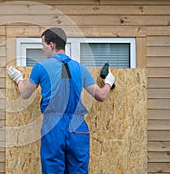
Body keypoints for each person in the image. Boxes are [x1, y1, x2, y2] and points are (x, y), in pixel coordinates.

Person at [8, 27, 115, 174]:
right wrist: (109, 81)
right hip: (77, 127)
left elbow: (25, 93)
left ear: (51, 45)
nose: (42, 49)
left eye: (43, 45)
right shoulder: (79, 68)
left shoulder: (41, 67)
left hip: (53, 127)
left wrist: (18, 78)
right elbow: (101, 95)